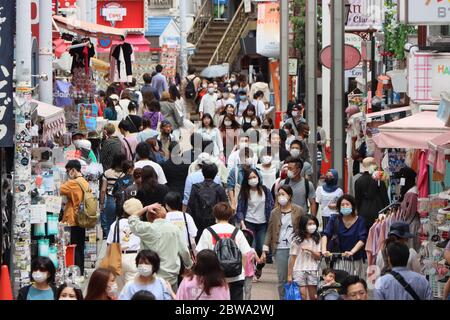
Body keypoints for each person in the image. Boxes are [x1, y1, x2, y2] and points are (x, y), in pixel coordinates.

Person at [128, 201, 193, 291]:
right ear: (164, 215)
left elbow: (132, 219)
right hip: (170, 275)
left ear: (149, 217)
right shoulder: (175, 229)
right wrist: (189, 266)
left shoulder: (147, 228)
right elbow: (184, 251)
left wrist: (146, 207)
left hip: (150, 274)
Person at [196, 202, 252, 300]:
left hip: (214, 278)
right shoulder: (237, 231)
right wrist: (240, 270)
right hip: (236, 277)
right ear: (230, 215)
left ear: (214, 214)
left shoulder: (208, 231)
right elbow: (245, 254)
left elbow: (200, 254)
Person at [261, 185, 304, 299]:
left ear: (289, 196)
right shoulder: (274, 212)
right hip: (280, 248)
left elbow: (303, 227)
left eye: (283, 194)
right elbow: (269, 231)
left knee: (296, 277)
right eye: (279, 194)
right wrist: (265, 249)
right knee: (282, 279)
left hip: (296, 248)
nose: (281, 197)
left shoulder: (299, 210)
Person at [236, 168, 274, 279]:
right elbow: (240, 209)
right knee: (250, 250)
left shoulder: (265, 190)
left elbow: (271, 206)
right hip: (249, 223)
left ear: (258, 177)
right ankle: (251, 272)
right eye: (250, 178)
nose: (253, 180)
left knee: (261, 248)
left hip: (263, 224)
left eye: (254, 177)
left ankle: (259, 267)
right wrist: (242, 223)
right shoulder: (244, 192)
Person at [321, 195, 368, 279]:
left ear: (352, 206)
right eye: (342, 205)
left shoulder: (360, 220)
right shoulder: (334, 219)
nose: (345, 206)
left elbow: (362, 239)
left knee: (355, 283)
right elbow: (325, 234)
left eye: (347, 204)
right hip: (338, 259)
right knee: (339, 284)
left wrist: (352, 252)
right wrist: (324, 250)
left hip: (355, 259)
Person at [105, 198, 142, 291]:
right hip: (134, 257)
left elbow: (109, 244)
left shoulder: (116, 224)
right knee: (132, 290)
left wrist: (106, 260)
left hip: (118, 257)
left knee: (119, 289)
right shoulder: (140, 225)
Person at [60, 160, 89, 274]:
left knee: (73, 247)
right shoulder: (84, 181)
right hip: (82, 218)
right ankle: (80, 271)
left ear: (73, 170)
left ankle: (75, 272)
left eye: (68, 171)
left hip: (73, 218)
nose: (67, 174)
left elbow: (59, 189)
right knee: (80, 247)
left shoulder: (73, 183)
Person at [187, 164, 228, 241]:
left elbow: (190, 206)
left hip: (198, 222)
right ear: (216, 174)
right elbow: (225, 206)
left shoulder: (196, 187)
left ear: (202, 173)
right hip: (215, 222)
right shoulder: (219, 188)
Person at [287, 214, 321, 300]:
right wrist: (289, 275)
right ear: (303, 225)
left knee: (314, 296)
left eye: (313, 224)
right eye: (309, 224)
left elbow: (318, 256)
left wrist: (310, 250)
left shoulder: (317, 238)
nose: (312, 226)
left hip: (313, 269)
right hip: (299, 269)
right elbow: (292, 258)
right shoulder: (296, 240)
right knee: (302, 296)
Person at [355, 157, 390, 230]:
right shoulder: (379, 180)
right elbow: (385, 198)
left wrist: (358, 212)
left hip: (363, 211)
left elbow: (357, 199)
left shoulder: (358, 181)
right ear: (372, 165)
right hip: (378, 211)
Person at [100, 153, 126, 238]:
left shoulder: (107, 173)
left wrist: (101, 204)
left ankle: (110, 245)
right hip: (123, 200)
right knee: (124, 224)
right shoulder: (127, 173)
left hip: (111, 199)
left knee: (110, 224)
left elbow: (103, 190)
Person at [241, 229, 260, 299]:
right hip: (249, 273)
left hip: (240, 273)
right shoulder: (252, 250)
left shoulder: (238, 250)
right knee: (248, 290)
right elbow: (259, 261)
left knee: (241, 290)